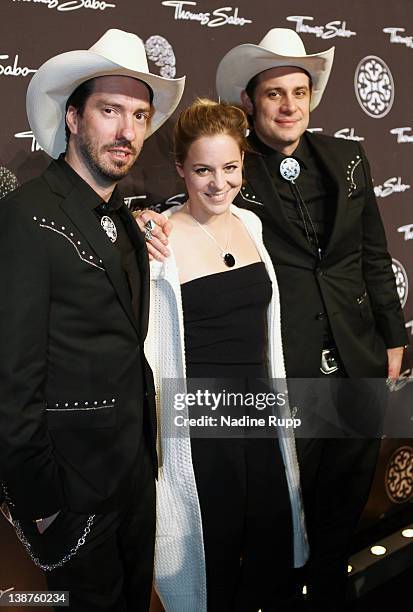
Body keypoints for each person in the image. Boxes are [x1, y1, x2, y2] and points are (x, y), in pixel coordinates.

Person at [141, 29, 408, 611]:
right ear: (249, 104)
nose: (289, 106)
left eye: (299, 92)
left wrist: (394, 337)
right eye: (274, 95)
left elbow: (371, 253)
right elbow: (189, 202)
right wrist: (145, 219)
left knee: (339, 515)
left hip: (356, 362)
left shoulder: (348, 158)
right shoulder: (236, 169)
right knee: (283, 529)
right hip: (282, 381)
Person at [0, 29, 184, 611]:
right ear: (74, 119)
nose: (128, 131)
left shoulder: (124, 219)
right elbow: (11, 377)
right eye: (110, 111)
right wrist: (44, 502)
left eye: (139, 114)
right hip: (71, 496)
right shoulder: (27, 217)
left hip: (133, 479)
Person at [144, 98, 308, 612]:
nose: (219, 183)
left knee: (272, 558)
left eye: (230, 167)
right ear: (180, 169)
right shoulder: (159, 244)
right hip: (200, 433)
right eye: (203, 170)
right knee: (212, 570)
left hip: (261, 421)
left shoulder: (252, 226)